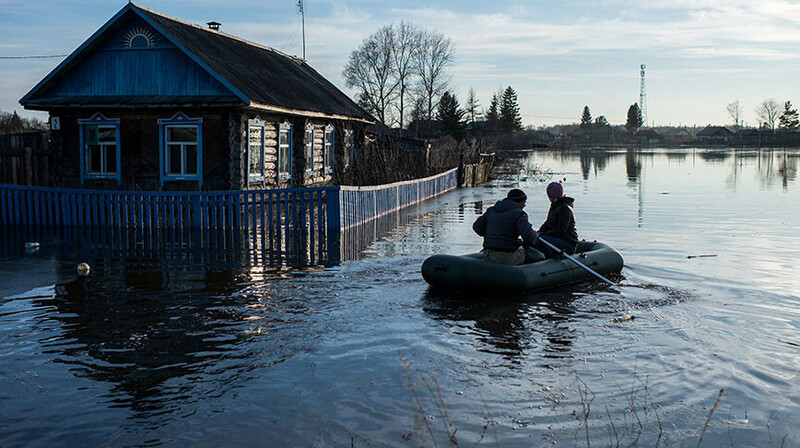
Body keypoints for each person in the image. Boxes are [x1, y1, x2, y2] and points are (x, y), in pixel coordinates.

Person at [472, 189, 541, 265]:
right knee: (539, 256)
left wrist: (491, 236)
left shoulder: (491, 210)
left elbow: (477, 227)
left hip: (488, 253)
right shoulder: (519, 214)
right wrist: (534, 235)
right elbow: (528, 237)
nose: (524, 205)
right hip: (507, 255)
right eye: (524, 202)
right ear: (519, 202)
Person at [534, 181, 579, 259]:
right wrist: (538, 232)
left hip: (568, 243)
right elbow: (547, 224)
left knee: (542, 240)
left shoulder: (565, 209)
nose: (552, 199)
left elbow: (560, 231)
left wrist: (542, 234)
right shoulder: (555, 207)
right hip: (558, 240)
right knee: (538, 239)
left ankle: (549, 259)